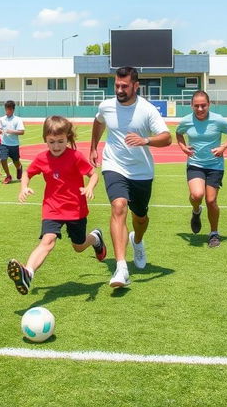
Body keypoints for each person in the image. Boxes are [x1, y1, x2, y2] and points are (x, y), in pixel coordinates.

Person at [89, 66, 171, 288]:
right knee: (118, 206)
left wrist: (145, 141)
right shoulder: (106, 106)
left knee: (140, 218)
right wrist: (94, 147)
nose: (120, 89)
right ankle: (121, 267)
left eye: (125, 86)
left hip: (141, 172)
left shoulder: (147, 110)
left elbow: (167, 138)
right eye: (117, 85)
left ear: (136, 86)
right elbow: (98, 121)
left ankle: (138, 240)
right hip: (113, 165)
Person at [7, 116, 106, 295]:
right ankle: (28, 273)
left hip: (76, 209)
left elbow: (94, 174)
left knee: (79, 246)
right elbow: (27, 173)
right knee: (48, 240)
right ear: (45, 139)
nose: (56, 146)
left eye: (61, 141)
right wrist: (24, 187)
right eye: (52, 142)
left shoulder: (75, 156)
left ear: (68, 138)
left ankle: (95, 238)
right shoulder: (42, 158)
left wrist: (89, 187)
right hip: (52, 208)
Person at [176, 91, 227, 247]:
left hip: (215, 165)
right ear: (191, 105)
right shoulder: (186, 121)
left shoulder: (218, 120)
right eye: (196, 106)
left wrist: (223, 147)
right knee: (197, 195)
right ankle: (196, 210)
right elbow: (178, 133)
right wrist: (183, 147)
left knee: (211, 200)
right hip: (195, 164)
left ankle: (213, 233)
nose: (199, 109)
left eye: (203, 105)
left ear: (209, 104)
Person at [0, 100, 25, 184]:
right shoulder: (2, 119)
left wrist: (11, 131)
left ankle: (19, 167)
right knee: (3, 159)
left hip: (14, 144)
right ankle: (8, 176)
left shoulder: (18, 120)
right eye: (6, 109)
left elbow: (22, 132)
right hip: (4, 143)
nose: (7, 111)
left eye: (9, 109)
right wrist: (0, 131)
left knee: (16, 161)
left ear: (13, 110)